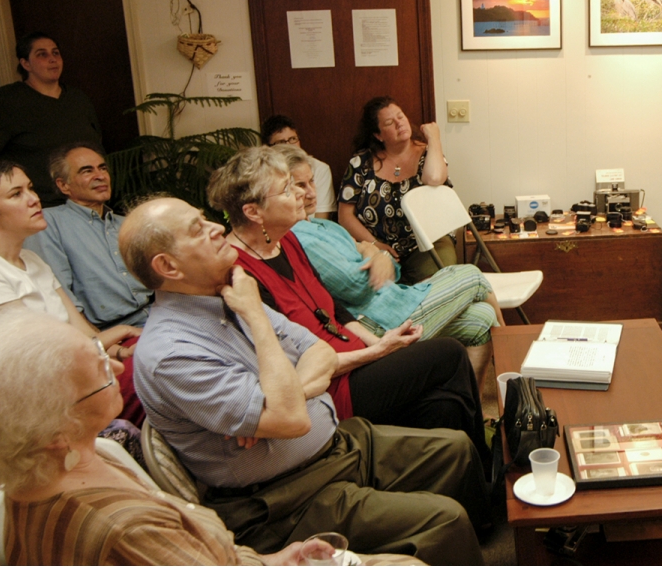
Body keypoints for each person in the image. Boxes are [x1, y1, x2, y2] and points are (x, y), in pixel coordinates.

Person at [121, 196, 489, 564]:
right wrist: (257, 319)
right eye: (198, 230)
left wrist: (284, 395)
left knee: (456, 450)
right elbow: (292, 419)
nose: (217, 228)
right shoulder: (171, 353)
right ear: (168, 265)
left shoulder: (226, 295)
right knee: (446, 521)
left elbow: (322, 353)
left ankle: (483, 542)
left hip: (334, 448)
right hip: (285, 499)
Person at [0, 304, 316, 566]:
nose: (115, 366)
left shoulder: (78, 461)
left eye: (101, 352)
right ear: (56, 430)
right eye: (99, 371)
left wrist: (271, 561)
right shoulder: (121, 528)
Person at [205, 146, 492, 473]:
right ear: (254, 212)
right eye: (287, 189)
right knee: (449, 354)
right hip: (334, 387)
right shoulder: (242, 275)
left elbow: (334, 311)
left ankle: (478, 488)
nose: (301, 195)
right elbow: (294, 366)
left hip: (356, 359)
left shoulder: (286, 243)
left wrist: (379, 344)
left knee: (446, 404)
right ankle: (488, 471)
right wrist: (379, 352)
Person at [279, 144, 504, 383]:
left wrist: (376, 254)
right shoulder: (299, 237)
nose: (312, 193)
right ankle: (513, 380)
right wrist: (372, 253)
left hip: (398, 301)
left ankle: (476, 415)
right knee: (472, 275)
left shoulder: (324, 226)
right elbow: (358, 286)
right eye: (301, 186)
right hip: (382, 325)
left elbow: (391, 270)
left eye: (312, 182)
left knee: (481, 318)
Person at [0, 160, 145, 423]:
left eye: (31, 189)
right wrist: (120, 332)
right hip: (35, 400)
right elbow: (32, 358)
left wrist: (118, 350)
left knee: (155, 351)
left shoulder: (31, 259)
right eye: (16, 194)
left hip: (72, 371)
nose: (34, 199)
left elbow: (84, 334)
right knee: (158, 373)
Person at [0, 32, 102, 207]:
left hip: (86, 202)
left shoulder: (78, 98)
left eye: (56, 53)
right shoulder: (4, 101)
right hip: (38, 205)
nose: (52, 59)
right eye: (42, 54)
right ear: (25, 63)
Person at [26, 142, 153, 328]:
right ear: (64, 185)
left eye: (102, 168)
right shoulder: (48, 223)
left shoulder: (126, 223)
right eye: (87, 171)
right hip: (107, 331)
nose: (100, 176)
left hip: (156, 315)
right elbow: (55, 293)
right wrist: (97, 342)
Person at [338, 97, 455, 284]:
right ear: (378, 135)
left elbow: (434, 178)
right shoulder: (361, 162)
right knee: (373, 286)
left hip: (427, 242)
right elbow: (345, 216)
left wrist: (434, 138)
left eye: (401, 117)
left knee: (437, 284)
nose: (399, 123)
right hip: (374, 245)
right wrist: (376, 245)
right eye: (389, 123)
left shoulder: (428, 153)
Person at [261, 114, 336, 219]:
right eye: (281, 142)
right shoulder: (264, 174)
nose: (289, 146)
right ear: (268, 148)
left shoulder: (319, 168)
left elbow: (321, 220)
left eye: (292, 139)